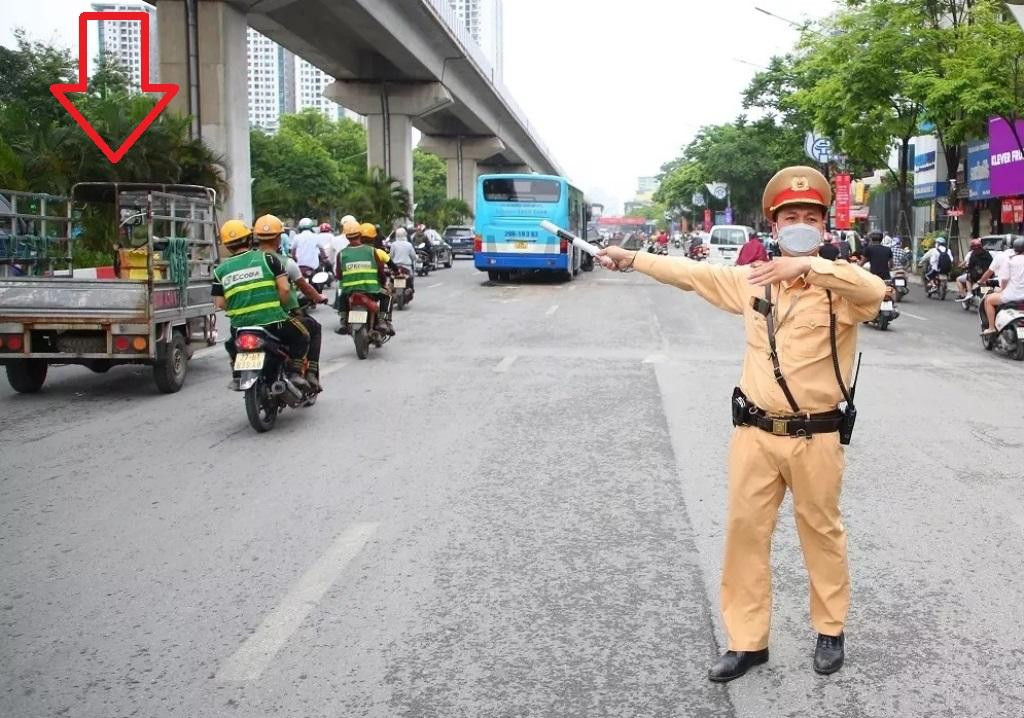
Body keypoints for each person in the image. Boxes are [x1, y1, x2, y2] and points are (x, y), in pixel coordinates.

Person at [597, 165, 885, 682]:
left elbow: (876, 291)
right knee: (744, 533)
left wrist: (811, 268)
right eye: (789, 216)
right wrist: (631, 258)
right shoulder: (753, 283)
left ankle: (830, 629)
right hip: (754, 433)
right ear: (773, 227)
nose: (799, 223)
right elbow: (690, 273)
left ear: (825, 228)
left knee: (821, 531)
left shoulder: (840, 288)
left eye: (810, 216)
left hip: (816, 435)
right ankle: (748, 642)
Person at [212, 219, 311, 391]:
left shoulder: (220, 270)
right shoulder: (268, 259)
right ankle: (295, 373)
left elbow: (220, 303)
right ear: (250, 239)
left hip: (240, 326)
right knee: (302, 335)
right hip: (273, 321)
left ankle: (237, 375)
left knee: (231, 344)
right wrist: (275, 306)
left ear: (227, 245)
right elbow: (285, 290)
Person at [254, 214, 327, 390]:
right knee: (312, 329)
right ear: (279, 238)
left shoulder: (247, 262)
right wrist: (319, 297)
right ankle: (305, 372)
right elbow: (304, 288)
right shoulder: (286, 263)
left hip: (250, 320)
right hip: (280, 318)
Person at [336, 221, 396, 336]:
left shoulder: (341, 254)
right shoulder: (372, 251)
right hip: (371, 290)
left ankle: (343, 321)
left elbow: (339, 275)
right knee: (387, 295)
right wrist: (383, 284)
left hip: (350, 291)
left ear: (346, 237)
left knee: (342, 295)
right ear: (360, 234)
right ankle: (383, 321)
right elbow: (381, 272)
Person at [982, 235, 1024, 334]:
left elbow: (1004, 279)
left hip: (1011, 295)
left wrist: (1002, 290)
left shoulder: (1009, 260)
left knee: (988, 300)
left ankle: (991, 328)